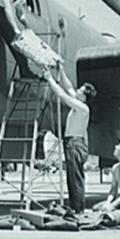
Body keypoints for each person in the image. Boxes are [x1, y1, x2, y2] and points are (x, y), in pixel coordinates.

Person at [43, 69, 95, 214]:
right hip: (72, 143)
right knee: (72, 177)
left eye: (81, 90)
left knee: (75, 178)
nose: (77, 90)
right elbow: (69, 87)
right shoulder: (80, 103)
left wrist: (50, 79)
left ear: (85, 96)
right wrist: (61, 70)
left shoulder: (82, 108)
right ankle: (76, 207)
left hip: (75, 144)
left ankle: (78, 210)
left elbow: (62, 94)